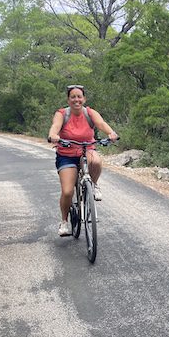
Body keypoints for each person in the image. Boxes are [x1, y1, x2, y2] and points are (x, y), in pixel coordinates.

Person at [47, 85, 118, 237]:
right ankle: (64, 222)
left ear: (84, 99)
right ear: (68, 99)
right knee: (67, 192)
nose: (76, 100)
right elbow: (55, 126)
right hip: (66, 154)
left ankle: (94, 184)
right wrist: (54, 135)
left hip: (86, 150)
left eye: (79, 96)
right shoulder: (62, 114)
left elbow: (101, 124)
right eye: (73, 97)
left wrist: (111, 133)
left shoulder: (89, 113)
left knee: (96, 161)